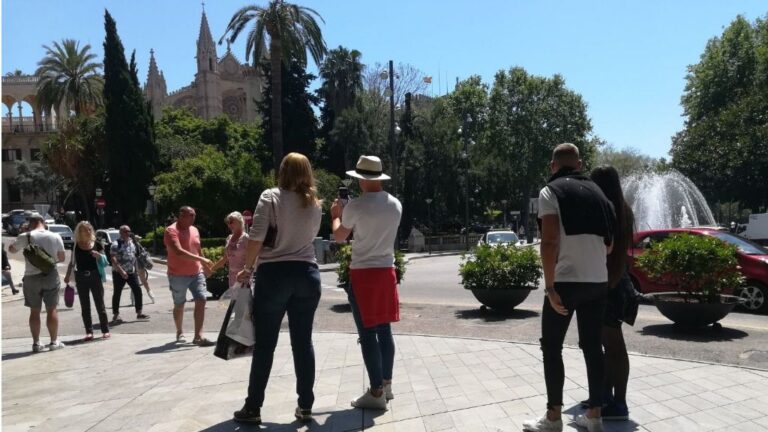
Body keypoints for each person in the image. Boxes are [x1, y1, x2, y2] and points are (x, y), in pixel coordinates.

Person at [523, 143, 616, 432]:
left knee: (552, 347)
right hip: (597, 281)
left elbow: (549, 241)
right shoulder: (600, 194)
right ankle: (595, 416)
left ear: (553, 166)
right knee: (592, 346)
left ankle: (553, 419)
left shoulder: (550, 191)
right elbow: (610, 246)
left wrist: (550, 287)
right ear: (579, 164)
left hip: (565, 281)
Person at [232, 153, 323, 425]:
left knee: (266, 346)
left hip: (274, 275)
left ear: (282, 171)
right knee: (302, 342)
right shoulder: (314, 203)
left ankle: (253, 406)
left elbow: (257, 237)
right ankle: (305, 406)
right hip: (308, 274)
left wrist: (247, 268)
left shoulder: (270, 197)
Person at [330, 155, 402, 411]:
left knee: (368, 334)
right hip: (386, 271)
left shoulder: (356, 207)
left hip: (363, 273)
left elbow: (340, 237)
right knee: (384, 331)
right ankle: (388, 384)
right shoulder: (396, 204)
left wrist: (336, 215)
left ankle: (376, 392)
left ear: (360, 179)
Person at [588, 166, 638, 421]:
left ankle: (619, 402)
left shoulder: (607, 209)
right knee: (610, 346)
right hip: (620, 284)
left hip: (610, 285)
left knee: (614, 346)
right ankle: (606, 395)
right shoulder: (623, 209)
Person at [8, 213, 66, 352]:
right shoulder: (55, 236)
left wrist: (21, 235)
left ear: (31, 223)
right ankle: (53, 342)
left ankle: (36, 343)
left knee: (35, 311)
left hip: (31, 277)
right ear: (43, 222)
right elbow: (62, 258)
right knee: (51, 309)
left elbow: (11, 250)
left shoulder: (26, 236)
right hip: (50, 275)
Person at [164, 206, 214, 346]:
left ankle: (198, 336)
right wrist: (203, 260)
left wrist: (204, 266)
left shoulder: (194, 230)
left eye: (194, 215)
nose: (193, 217)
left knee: (202, 299)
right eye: (190, 215)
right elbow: (178, 252)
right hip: (177, 275)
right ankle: (180, 331)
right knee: (179, 304)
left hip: (196, 273)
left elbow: (198, 249)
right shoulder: (171, 230)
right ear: (181, 216)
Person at [64, 221, 110, 340]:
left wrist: (99, 256)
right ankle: (89, 332)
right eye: (85, 229)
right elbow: (72, 262)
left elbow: (105, 262)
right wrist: (68, 275)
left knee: (100, 305)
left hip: (95, 276)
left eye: (89, 229)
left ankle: (105, 330)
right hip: (81, 277)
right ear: (79, 232)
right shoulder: (75, 245)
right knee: (85, 306)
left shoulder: (97, 244)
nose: (88, 231)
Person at [110, 225, 150, 323]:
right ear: (121, 233)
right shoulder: (116, 244)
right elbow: (113, 259)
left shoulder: (132, 243)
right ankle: (116, 314)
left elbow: (135, 256)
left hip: (131, 272)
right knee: (117, 293)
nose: (128, 233)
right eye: (125, 231)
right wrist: (121, 271)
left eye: (129, 231)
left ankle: (139, 313)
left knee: (137, 290)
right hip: (119, 273)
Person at [209, 212, 249, 295]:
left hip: (243, 276)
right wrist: (211, 269)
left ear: (239, 221)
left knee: (243, 303)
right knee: (234, 302)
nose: (229, 225)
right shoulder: (229, 238)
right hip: (232, 276)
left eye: (231, 222)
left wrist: (246, 271)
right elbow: (225, 258)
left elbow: (253, 257)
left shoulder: (245, 238)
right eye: (228, 222)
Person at [131, 234, 155, 302]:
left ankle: (133, 299)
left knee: (133, 282)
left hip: (133, 264)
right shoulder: (139, 245)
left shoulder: (130, 245)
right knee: (144, 281)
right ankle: (152, 296)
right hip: (140, 264)